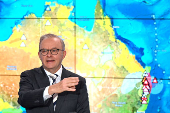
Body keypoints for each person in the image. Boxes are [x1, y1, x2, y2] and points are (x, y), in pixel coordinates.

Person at [18, 33, 90, 113]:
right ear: (39, 55)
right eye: (44, 51)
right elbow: (23, 100)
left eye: (54, 50)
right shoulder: (29, 76)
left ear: (63, 54)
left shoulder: (78, 81)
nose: (49, 55)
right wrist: (52, 89)